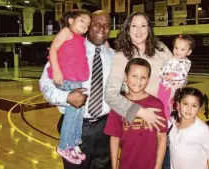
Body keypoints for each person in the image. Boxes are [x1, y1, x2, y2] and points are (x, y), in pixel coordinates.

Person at [39, 10, 113, 169]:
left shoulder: (114, 56)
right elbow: (45, 82)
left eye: (106, 26)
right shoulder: (70, 44)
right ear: (88, 26)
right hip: (77, 126)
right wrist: (66, 97)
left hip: (105, 128)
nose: (101, 29)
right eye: (96, 24)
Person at [105, 12, 173, 130]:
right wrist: (140, 112)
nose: (139, 31)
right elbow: (110, 95)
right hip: (138, 121)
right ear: (127, 29)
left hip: (165, 115)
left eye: (143, 25)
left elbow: (180, 74)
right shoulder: (121, 56)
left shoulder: (160, 48)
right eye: (134, 26)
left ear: (149, 28)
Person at [104, 58, 167, 169]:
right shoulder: (118, 105)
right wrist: (114, 166)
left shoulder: (156, 104)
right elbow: (114, 138)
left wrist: (158, 166)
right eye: (134, 76)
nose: (138, 81)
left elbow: (162, 137)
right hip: (126, 164)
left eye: (143, 77)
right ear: (125, 77)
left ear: (148, 80)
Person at [47, 10, 91, 164]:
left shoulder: (81, 40)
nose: (85, 25)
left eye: (87, 24)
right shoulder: (66, 31)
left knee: (79, 113)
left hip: (76, 81)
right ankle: (64, 145)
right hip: (66, 80)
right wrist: (57, 70)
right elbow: (53, 49)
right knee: (72, 114)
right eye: (82, 21)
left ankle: (73, 143)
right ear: (71, 20)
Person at [169, 87, 209, 169]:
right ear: (178, 104)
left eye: (194, 106)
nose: (189, 109)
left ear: (199, 108)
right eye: (185, 104)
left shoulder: (202, 130)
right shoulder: (173, 123)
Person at [158, 35, 195, 120]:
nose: (178, 51)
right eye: (176, 48)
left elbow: (183, 74)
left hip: (174, 87)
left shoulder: (186, 62)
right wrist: (162, 74)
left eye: (182, 49)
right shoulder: (171, 59)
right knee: (162, 102)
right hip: (163, 85)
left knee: (170, 103)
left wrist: (173, 76)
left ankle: (169, 118)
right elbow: (164, 68)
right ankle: (165, 117)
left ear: (188, 52)